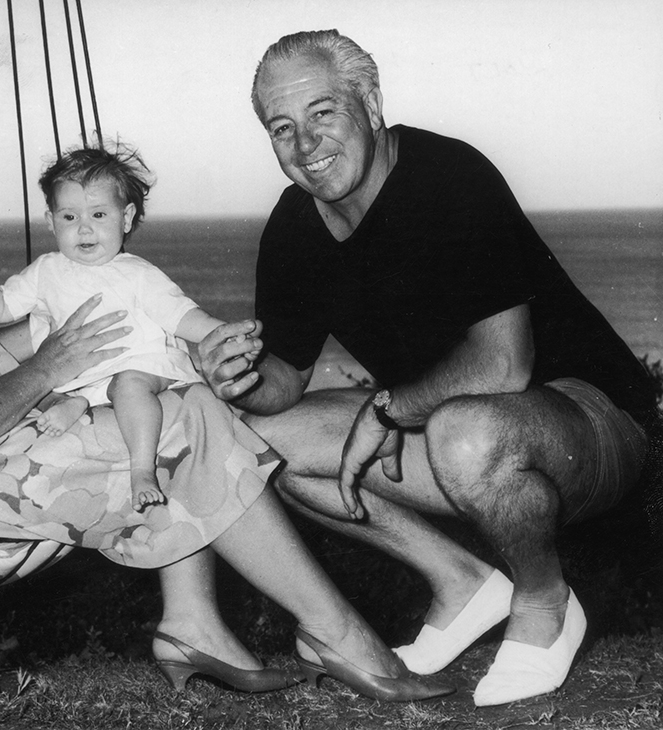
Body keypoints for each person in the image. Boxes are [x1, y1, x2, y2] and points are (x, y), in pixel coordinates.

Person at [0, 54, 454, 701]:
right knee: (189, 418)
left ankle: (194, 624)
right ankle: (338, 635)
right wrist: (51, 367)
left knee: (179, 401)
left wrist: (94, 351)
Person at [198, 30, 658, 707]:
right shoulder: (296, 225)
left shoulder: (449, 177)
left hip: (593, 422)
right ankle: (462, 584)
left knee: (465, 431)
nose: (306, 144)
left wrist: (384, 411)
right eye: (282, 127)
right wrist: (233, 377)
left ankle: (545, 602)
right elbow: (285, 383)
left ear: (371, 101)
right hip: (453, 432)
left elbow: (505, 363)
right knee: (255, 440)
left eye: (323, 112)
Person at [0, 144, 229, 512]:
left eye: (99, 214)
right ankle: (78, 402)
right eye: (69, 217)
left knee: (128, 387)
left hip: (140, 365)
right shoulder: (46, 270)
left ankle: (141, 471)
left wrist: (218, 332)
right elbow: (2, 306)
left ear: (125, 219)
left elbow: (179, 315)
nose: (84, 228)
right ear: (51, 222)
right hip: (81, 373)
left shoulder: (137, 273)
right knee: (41, 385)